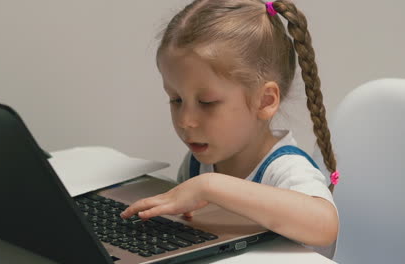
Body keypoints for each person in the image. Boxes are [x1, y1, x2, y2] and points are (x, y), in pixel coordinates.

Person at [120, 0, 339, 255]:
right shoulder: (198, 162)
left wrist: (210, 187)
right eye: (176, 99)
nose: (185, 120)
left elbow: (324, 225)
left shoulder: (286, 169)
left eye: (207, 102)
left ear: (265, 101)